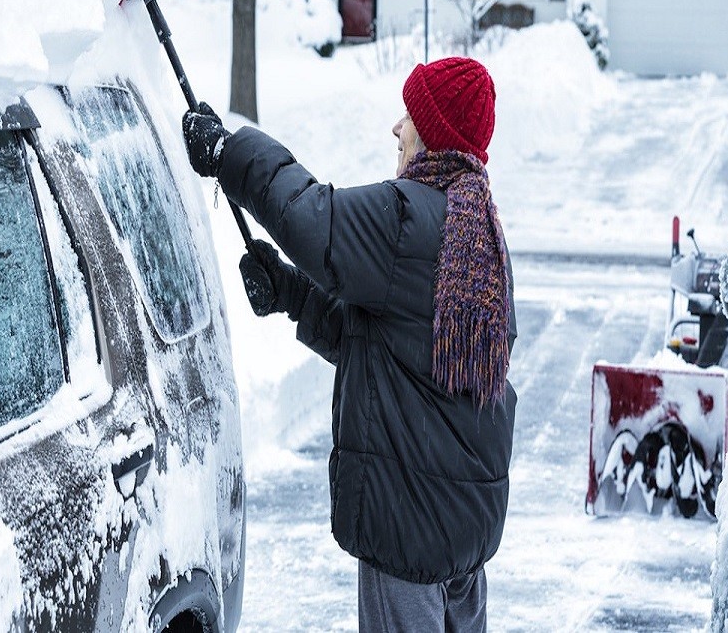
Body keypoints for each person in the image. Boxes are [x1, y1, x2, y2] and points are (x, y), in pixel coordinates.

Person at [182, 56, 517, 633]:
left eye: (410, 114)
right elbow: (396, 349)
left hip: (412, 522)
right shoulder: (478, 233)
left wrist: (228, 152)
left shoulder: (410, 215)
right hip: (464, 530)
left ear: (433, 131)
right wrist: (291, 292)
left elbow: (314, 220)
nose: (397, 127)